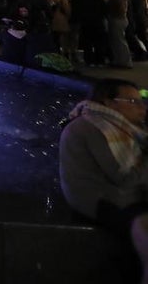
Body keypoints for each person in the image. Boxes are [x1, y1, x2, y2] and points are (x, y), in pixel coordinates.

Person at [59, 77, 148, 283]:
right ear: (108, 103)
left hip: (121, 195)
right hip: (103, 200)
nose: (142, 107)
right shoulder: (94, 127)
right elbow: (124, 178)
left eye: (141, 100)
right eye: (133, 102)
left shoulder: (123, 127)